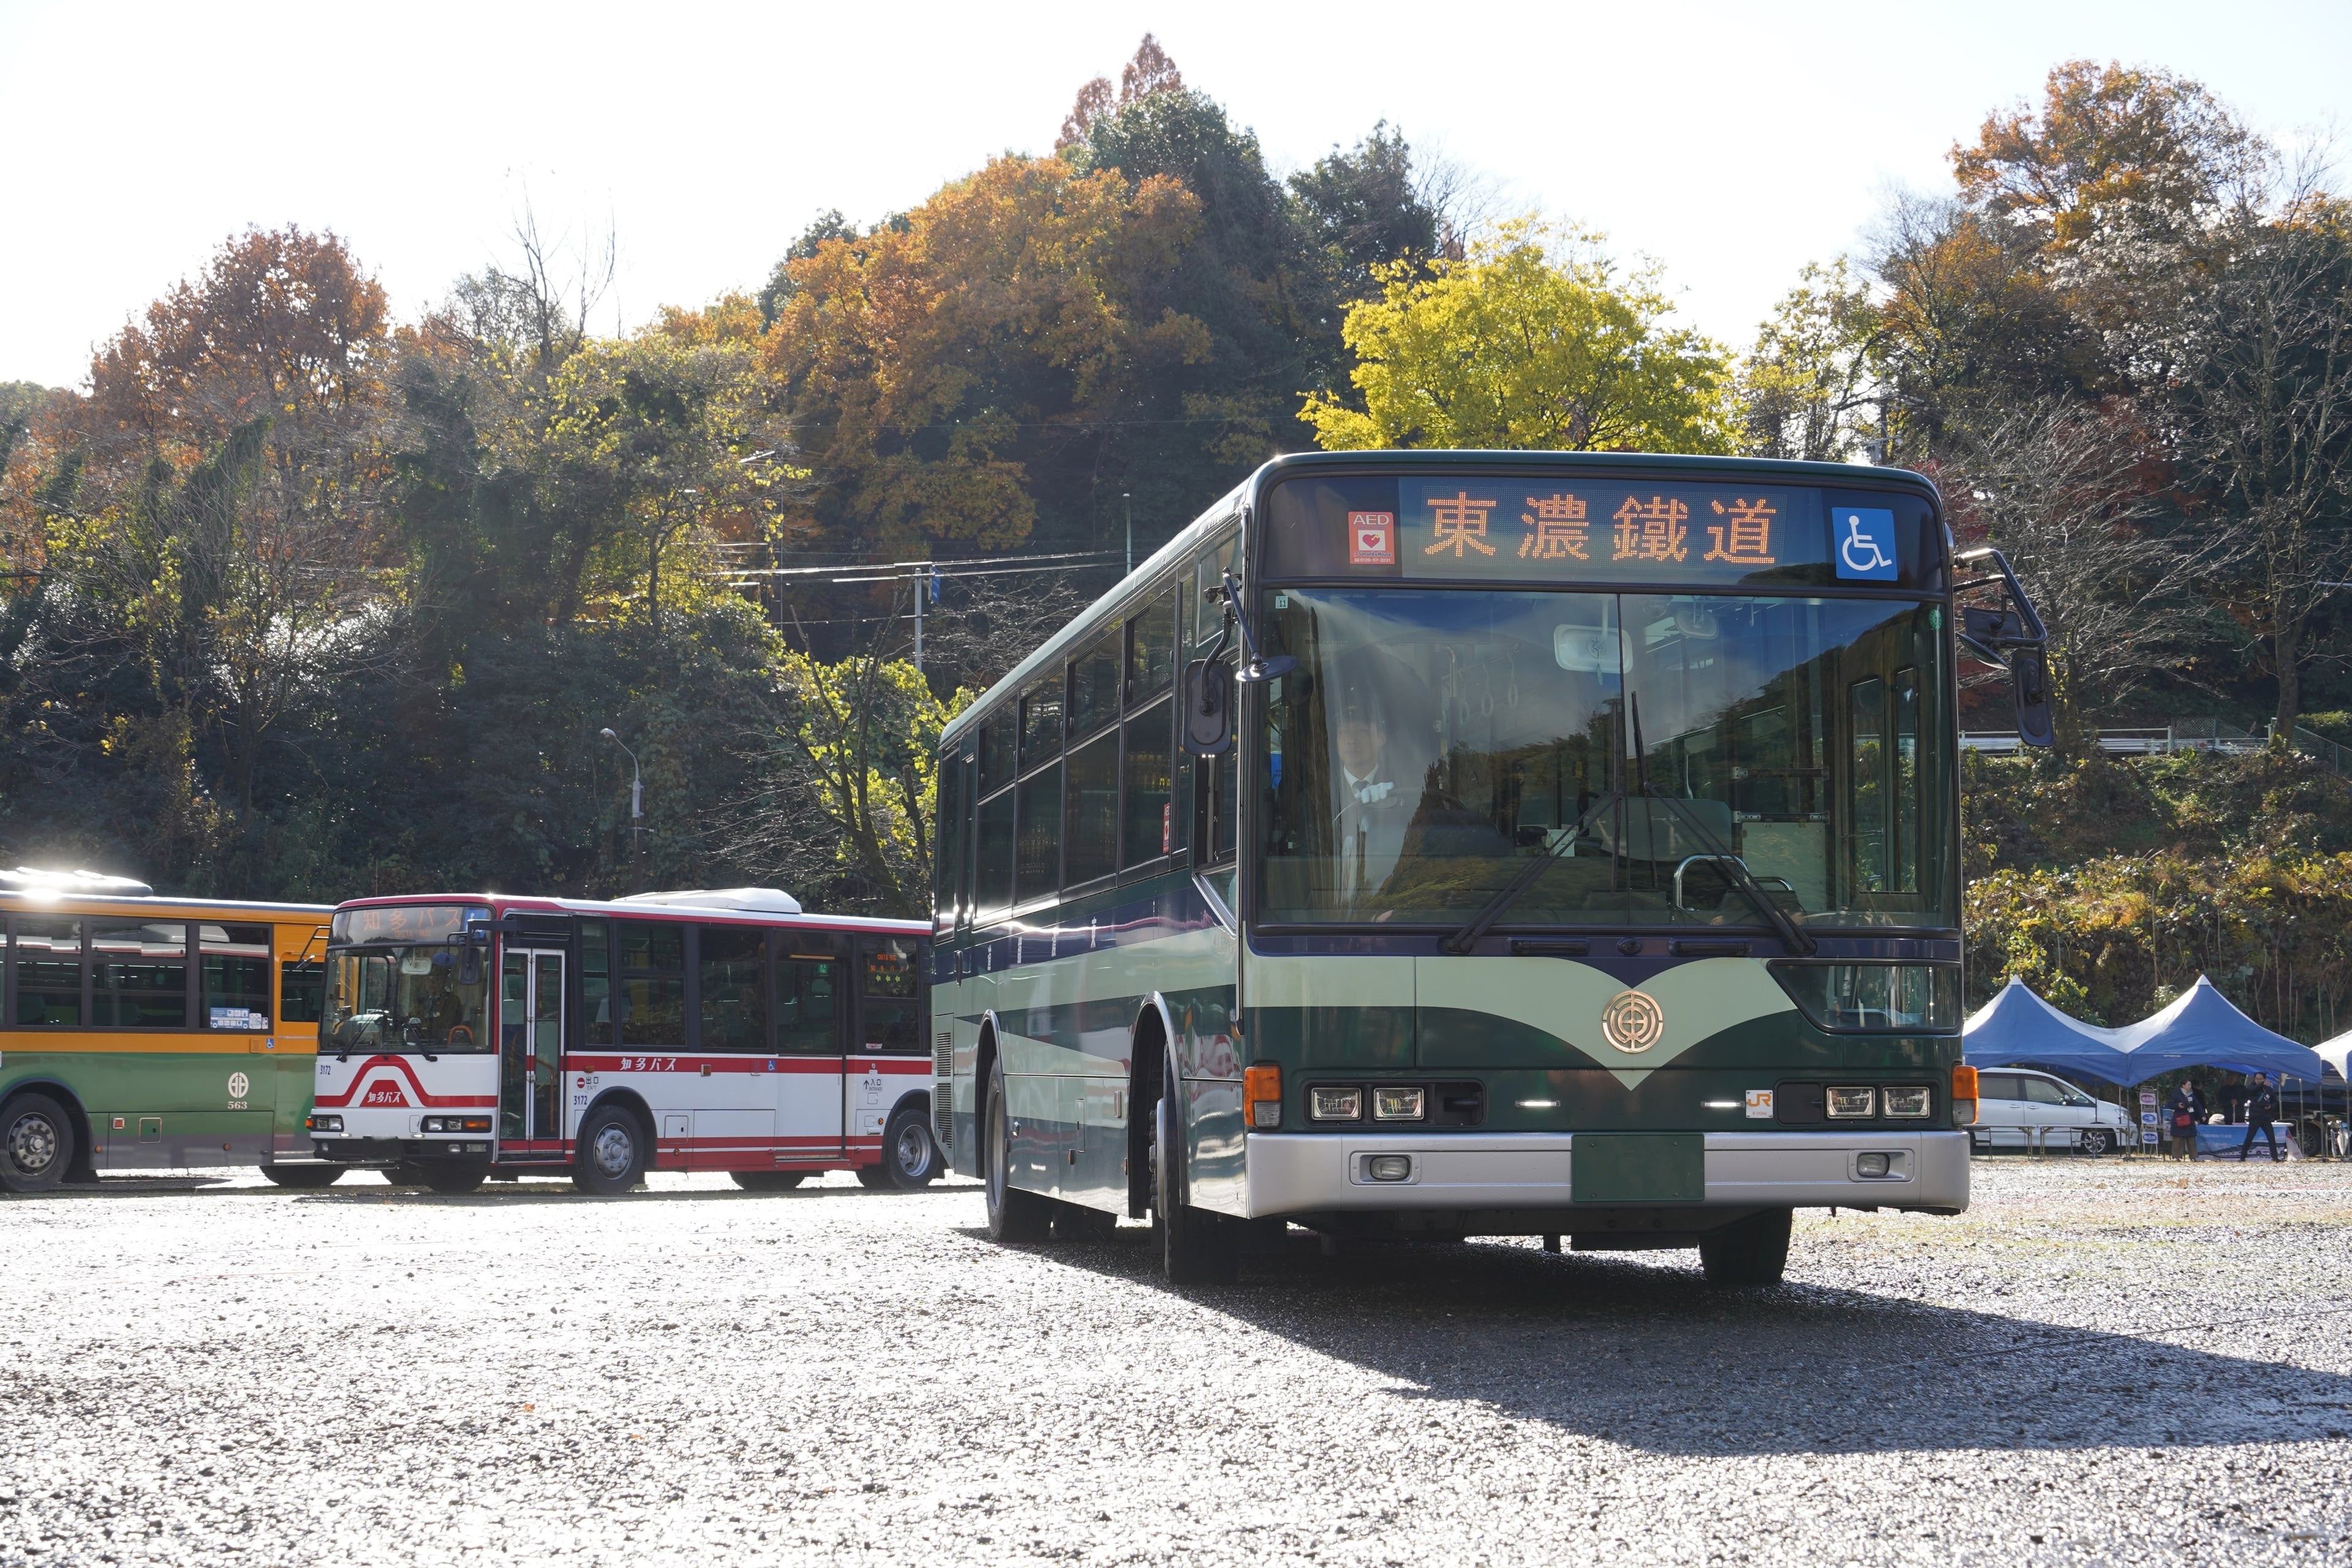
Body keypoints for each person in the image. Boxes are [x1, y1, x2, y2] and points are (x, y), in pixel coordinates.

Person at [2237, 1072, 2280, 1161]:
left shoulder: (2268, 1090)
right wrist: (2262, 1085)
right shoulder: (2252, 1088)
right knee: (2249, 1137)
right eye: (2257, 1079)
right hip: (2255, 1117)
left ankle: (2275, 1157)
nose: (2258, 1080)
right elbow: (2250, 1091)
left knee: (2271, 1137)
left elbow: (2275, 1102)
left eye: (2260, 1079)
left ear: (2264, 1079)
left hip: (2266, 1117)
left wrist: (2271, 1106)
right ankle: (2242, 1158)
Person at [2167, 1078, 2206, 1161]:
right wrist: (2178, 1105)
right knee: (2178, 1138)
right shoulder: (2177, 1094)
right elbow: (2170, 1104)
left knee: (2191, 1138)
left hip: (2189, 1118)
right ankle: (2176, 1157)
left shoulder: (2192, 1094)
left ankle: (2193, 1157)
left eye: (2190, 1085)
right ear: (2183, 1086)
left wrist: (2203, 1115)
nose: (2190, 1086)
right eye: (2188, 1085)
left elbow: (2197, 1105)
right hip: (2179, 1119)